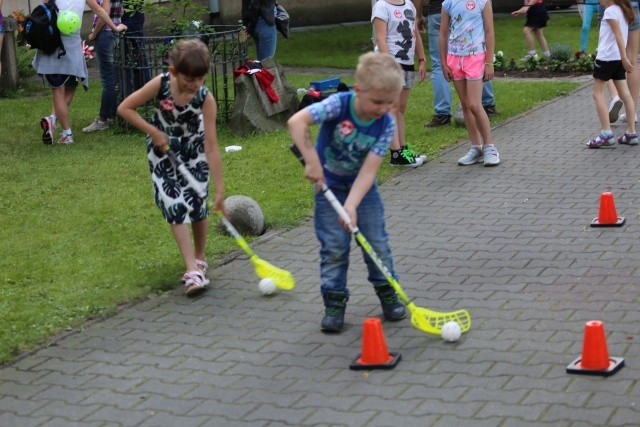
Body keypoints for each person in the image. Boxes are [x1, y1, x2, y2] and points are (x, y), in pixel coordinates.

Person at [288, 52, 407, 332]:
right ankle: (334, 302)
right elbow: (297, 122)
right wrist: (312, 159)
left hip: (362, 192)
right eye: (377, 102)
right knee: (334, 247)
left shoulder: (385, 123)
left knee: (375, 242)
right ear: (358, 90)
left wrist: (352, 204)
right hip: (328, 186)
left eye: (389, 103)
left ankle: (388, 293)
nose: (382, 108)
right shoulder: (338, 104)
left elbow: (369, 171)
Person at [117, 39, 226, 295]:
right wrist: (153, 131)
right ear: (175, 72)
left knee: (198, 205)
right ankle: (191, 270)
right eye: (189, 80)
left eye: (199, 80)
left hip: (194, 151)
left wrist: (219, 189)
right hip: (163, 152)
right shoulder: (161, 84)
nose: (194, 85)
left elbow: (211, 146)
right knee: (175, 204)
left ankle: (199, 258)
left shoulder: (205, 99)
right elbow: (125, 108)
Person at [36, 0, 127, 145]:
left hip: (52, 42)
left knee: (58, 90)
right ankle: (58, 126)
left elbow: (42, 10)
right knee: (71, 85)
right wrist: (115, 28)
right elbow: (99, 9)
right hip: (72, 44)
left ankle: (61, 128)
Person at [412, 0, 499, 128]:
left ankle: (442, 114)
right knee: (472, 57)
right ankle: (488, 104)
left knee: (441, 63)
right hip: (454, 10)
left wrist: (418, 15)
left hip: (439, 11)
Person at [440, 0, 500, 166]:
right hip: (454, 58)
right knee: (465, 105)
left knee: (474, 104)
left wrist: (489, 63)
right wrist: (444, 63)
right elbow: (443, 33)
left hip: (476, 57)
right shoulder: (448, 3)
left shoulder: (483, 1)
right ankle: (476, 148)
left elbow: (489, 31)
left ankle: (490, 147)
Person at [372, 0, 427, 167]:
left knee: (400, 108)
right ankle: (395, 154)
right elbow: (381, 39)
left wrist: (422, 59)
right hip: (390, 63)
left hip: (407, 63)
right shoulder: (381, 6)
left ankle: (402, 149)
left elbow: (415, 33)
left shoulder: (408, 5)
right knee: (392, 108)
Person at [586, 0, 637, 148]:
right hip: (616, 60)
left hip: (607, 58)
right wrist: (622, 58)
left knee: (597, 94)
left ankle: (606, 134)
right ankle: (631, 133)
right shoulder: (623, 10)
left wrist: (624, 57)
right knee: (625, 95)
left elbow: (618, 35)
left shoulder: (610, 11)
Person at [82, 0, 122, 133]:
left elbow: (104, 12)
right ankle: (111, 115)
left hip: (105, 34)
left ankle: (102, 119)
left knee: (107, 80)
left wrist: (93, 34)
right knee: (113, 77)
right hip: (116, 34)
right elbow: (120, 11)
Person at [606, 0, 640, 124]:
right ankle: (631, 113)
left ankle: (615, 96)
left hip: (610, 5)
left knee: (606, 56)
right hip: (631, 6)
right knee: (632, 60)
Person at [121, 0, 151, 95]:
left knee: (138, 56)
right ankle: (138, 92)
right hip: (130, 16)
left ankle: (145, 93)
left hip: (131, 17)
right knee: (132, 57)